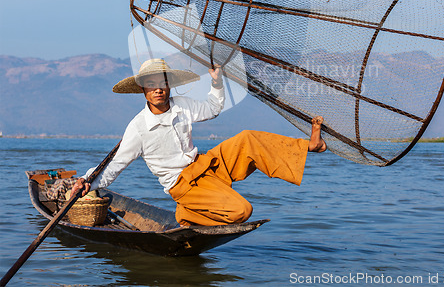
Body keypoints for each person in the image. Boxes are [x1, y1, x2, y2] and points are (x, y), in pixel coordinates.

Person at [72, 58, 326, 226]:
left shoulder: (181, 105)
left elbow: (213, 108)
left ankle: (310, 146)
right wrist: (87, 182)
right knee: (242, 211)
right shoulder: (139, 128)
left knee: (247, 138)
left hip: (205, 165)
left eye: (162, 83)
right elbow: (115, 164)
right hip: (185, 185)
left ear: (168, 86)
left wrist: (216, 83)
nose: (158, 89)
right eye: (152, 85)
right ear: (144, 91)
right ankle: (187, 212)